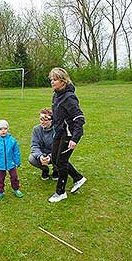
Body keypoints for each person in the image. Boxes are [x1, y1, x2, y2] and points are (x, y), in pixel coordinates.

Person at [48, 67, 87, 203]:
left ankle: (60, 192)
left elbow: (79, 118)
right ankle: (78, 178)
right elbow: (60, 115)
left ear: (63, 81)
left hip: (70, 134)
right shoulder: (56, 95)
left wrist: (74, 139)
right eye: (51, 79)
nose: (52, 82)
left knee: (61, 161)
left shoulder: (69, 98)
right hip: (59, 132)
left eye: (55, 79)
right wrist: (50, 120)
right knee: (55, 158)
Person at [28, 108, 58, 180]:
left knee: (61, 156)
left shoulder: (57, 130)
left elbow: (59, 147)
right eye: (41, 119)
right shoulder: (36, 129)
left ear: (51, 120)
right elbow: (34, 146)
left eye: (45, 120)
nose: (42, 122)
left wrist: (50, 157)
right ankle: (45, 170)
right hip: (43, 154)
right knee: (31, 158)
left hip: (54, 153)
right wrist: (40, 156)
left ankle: (56, 170)